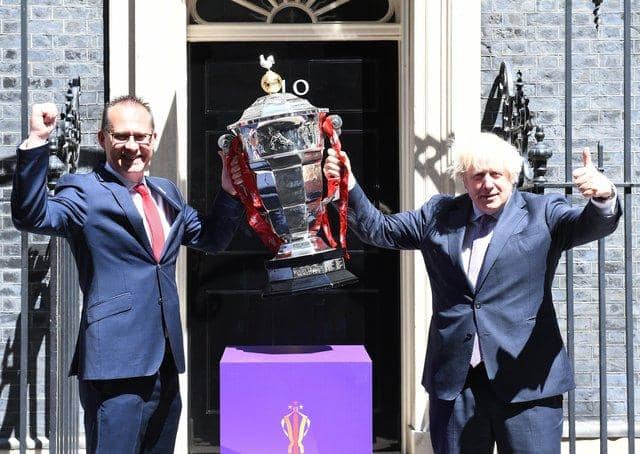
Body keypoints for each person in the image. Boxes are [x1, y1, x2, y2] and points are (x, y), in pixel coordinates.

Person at [323, 132, 621, 453]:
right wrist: (347, 184)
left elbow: (589, 224)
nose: (487, 184)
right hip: (456, 383)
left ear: (512, 177)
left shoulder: (543, 213)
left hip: (526, 383)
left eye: (496, 174)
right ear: (464, 180)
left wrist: (603, 198)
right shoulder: (438, 215)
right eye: (477, 176)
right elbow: (379, 229)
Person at [12, 97, 244, 453]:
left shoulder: (167, 193)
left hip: (165, 363)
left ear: (152, 139)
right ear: (103, 138)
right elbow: (33, 216)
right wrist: (37, 140)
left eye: (141, 136)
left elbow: (212, 239)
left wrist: (230, 190)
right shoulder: (84, 191)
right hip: (114, 365)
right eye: (121, 136)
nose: (132, 147)